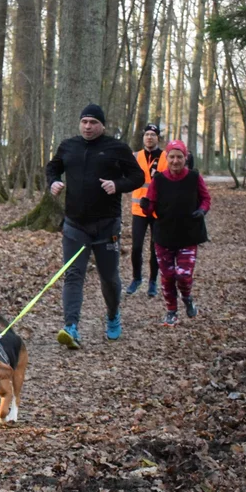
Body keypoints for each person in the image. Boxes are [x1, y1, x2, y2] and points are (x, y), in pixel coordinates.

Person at [45, 103, 145, 348]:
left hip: (106, 226)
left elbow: (138, 176)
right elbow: (53, 167)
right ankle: (71, 326)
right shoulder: (69, 146)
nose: (88, 127)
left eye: (93, 123)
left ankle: (112, 315)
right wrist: (54, 182)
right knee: (73, 275)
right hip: (74, 225)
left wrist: (117, 185)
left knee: (109, 278)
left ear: (102, 125)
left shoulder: (117, 148)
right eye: (84, 122)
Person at [139, 139, 211, 326]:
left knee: (184, 275)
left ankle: (187, 297)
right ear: (167, 158)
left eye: (179, 157)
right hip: (164, 235)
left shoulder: (194, 177)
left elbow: (205, 199)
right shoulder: (159, 180)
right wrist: (146, 206)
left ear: (185, 158)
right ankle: (171, 311)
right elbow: (150, 207)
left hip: (189, 234)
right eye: (172, 157)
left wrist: (202, 210)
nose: (175, 161)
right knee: (168, 275)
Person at [127, 123, 165, 298]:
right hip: (139, 209)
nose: (149, 137)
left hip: (158, 210)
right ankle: (136, 278)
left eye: (153, 134)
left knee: (155, 248)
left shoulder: (165, 157)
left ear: (158, 138)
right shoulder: (135, 156)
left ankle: (152, 282)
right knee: (136, 247)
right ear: (143, 137)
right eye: (147, 134)